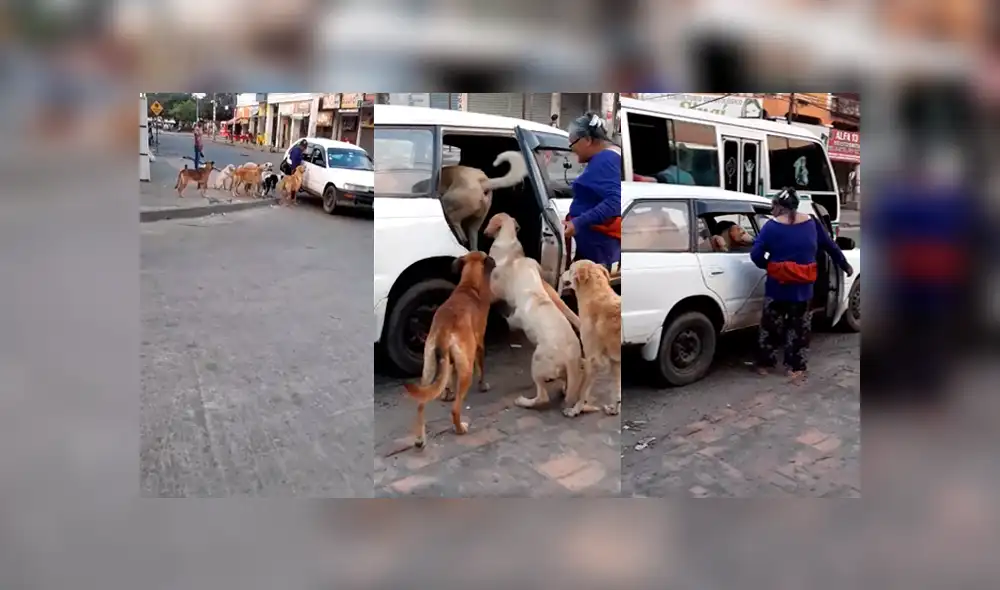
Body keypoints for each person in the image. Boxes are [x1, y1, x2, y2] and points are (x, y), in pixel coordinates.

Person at [750, 187, 854, 381]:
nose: (772, 209)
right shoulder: (812, 224)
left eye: (774, 206)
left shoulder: (771, 227)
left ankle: (765, 363)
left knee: (770, 326)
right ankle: (795, 367)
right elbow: (831, 246)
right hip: (802, 289)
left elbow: (755, 254)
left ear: (780, 207)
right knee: (799, 329)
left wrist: (770, 267)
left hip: (777, 287)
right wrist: (844, 264)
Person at [563, 112, 621, 268]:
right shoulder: (609, 157)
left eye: (572, 144)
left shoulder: (605, 160)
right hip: (598, 249)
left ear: (587, 140)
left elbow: (615, 202)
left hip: (598, 251)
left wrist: (578, 223)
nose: (572, 149)